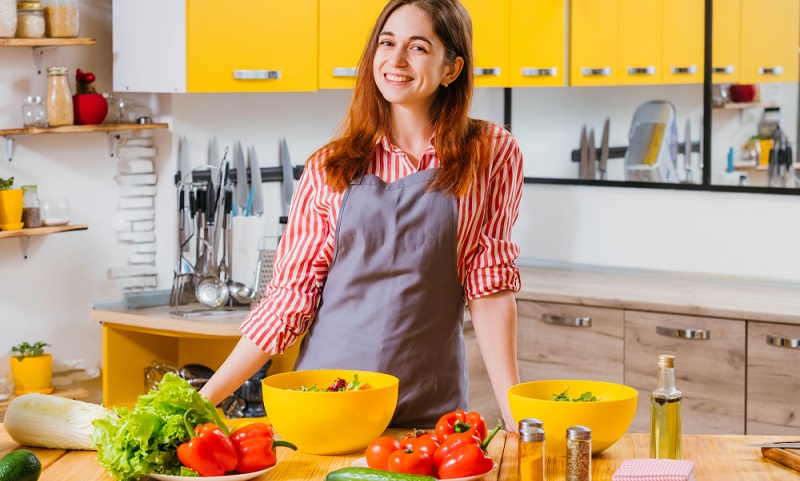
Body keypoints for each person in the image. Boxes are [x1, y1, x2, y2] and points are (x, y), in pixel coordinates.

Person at [199, 0, 523, 431]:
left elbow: (489, 289)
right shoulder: (330, 167)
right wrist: (202, 401)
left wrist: (518, 420)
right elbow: (288, 302)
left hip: (429, 413)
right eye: (386, 43)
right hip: (329, 408)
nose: (396, 60)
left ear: (452, 68)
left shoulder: (490, 153)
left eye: (419, 47)